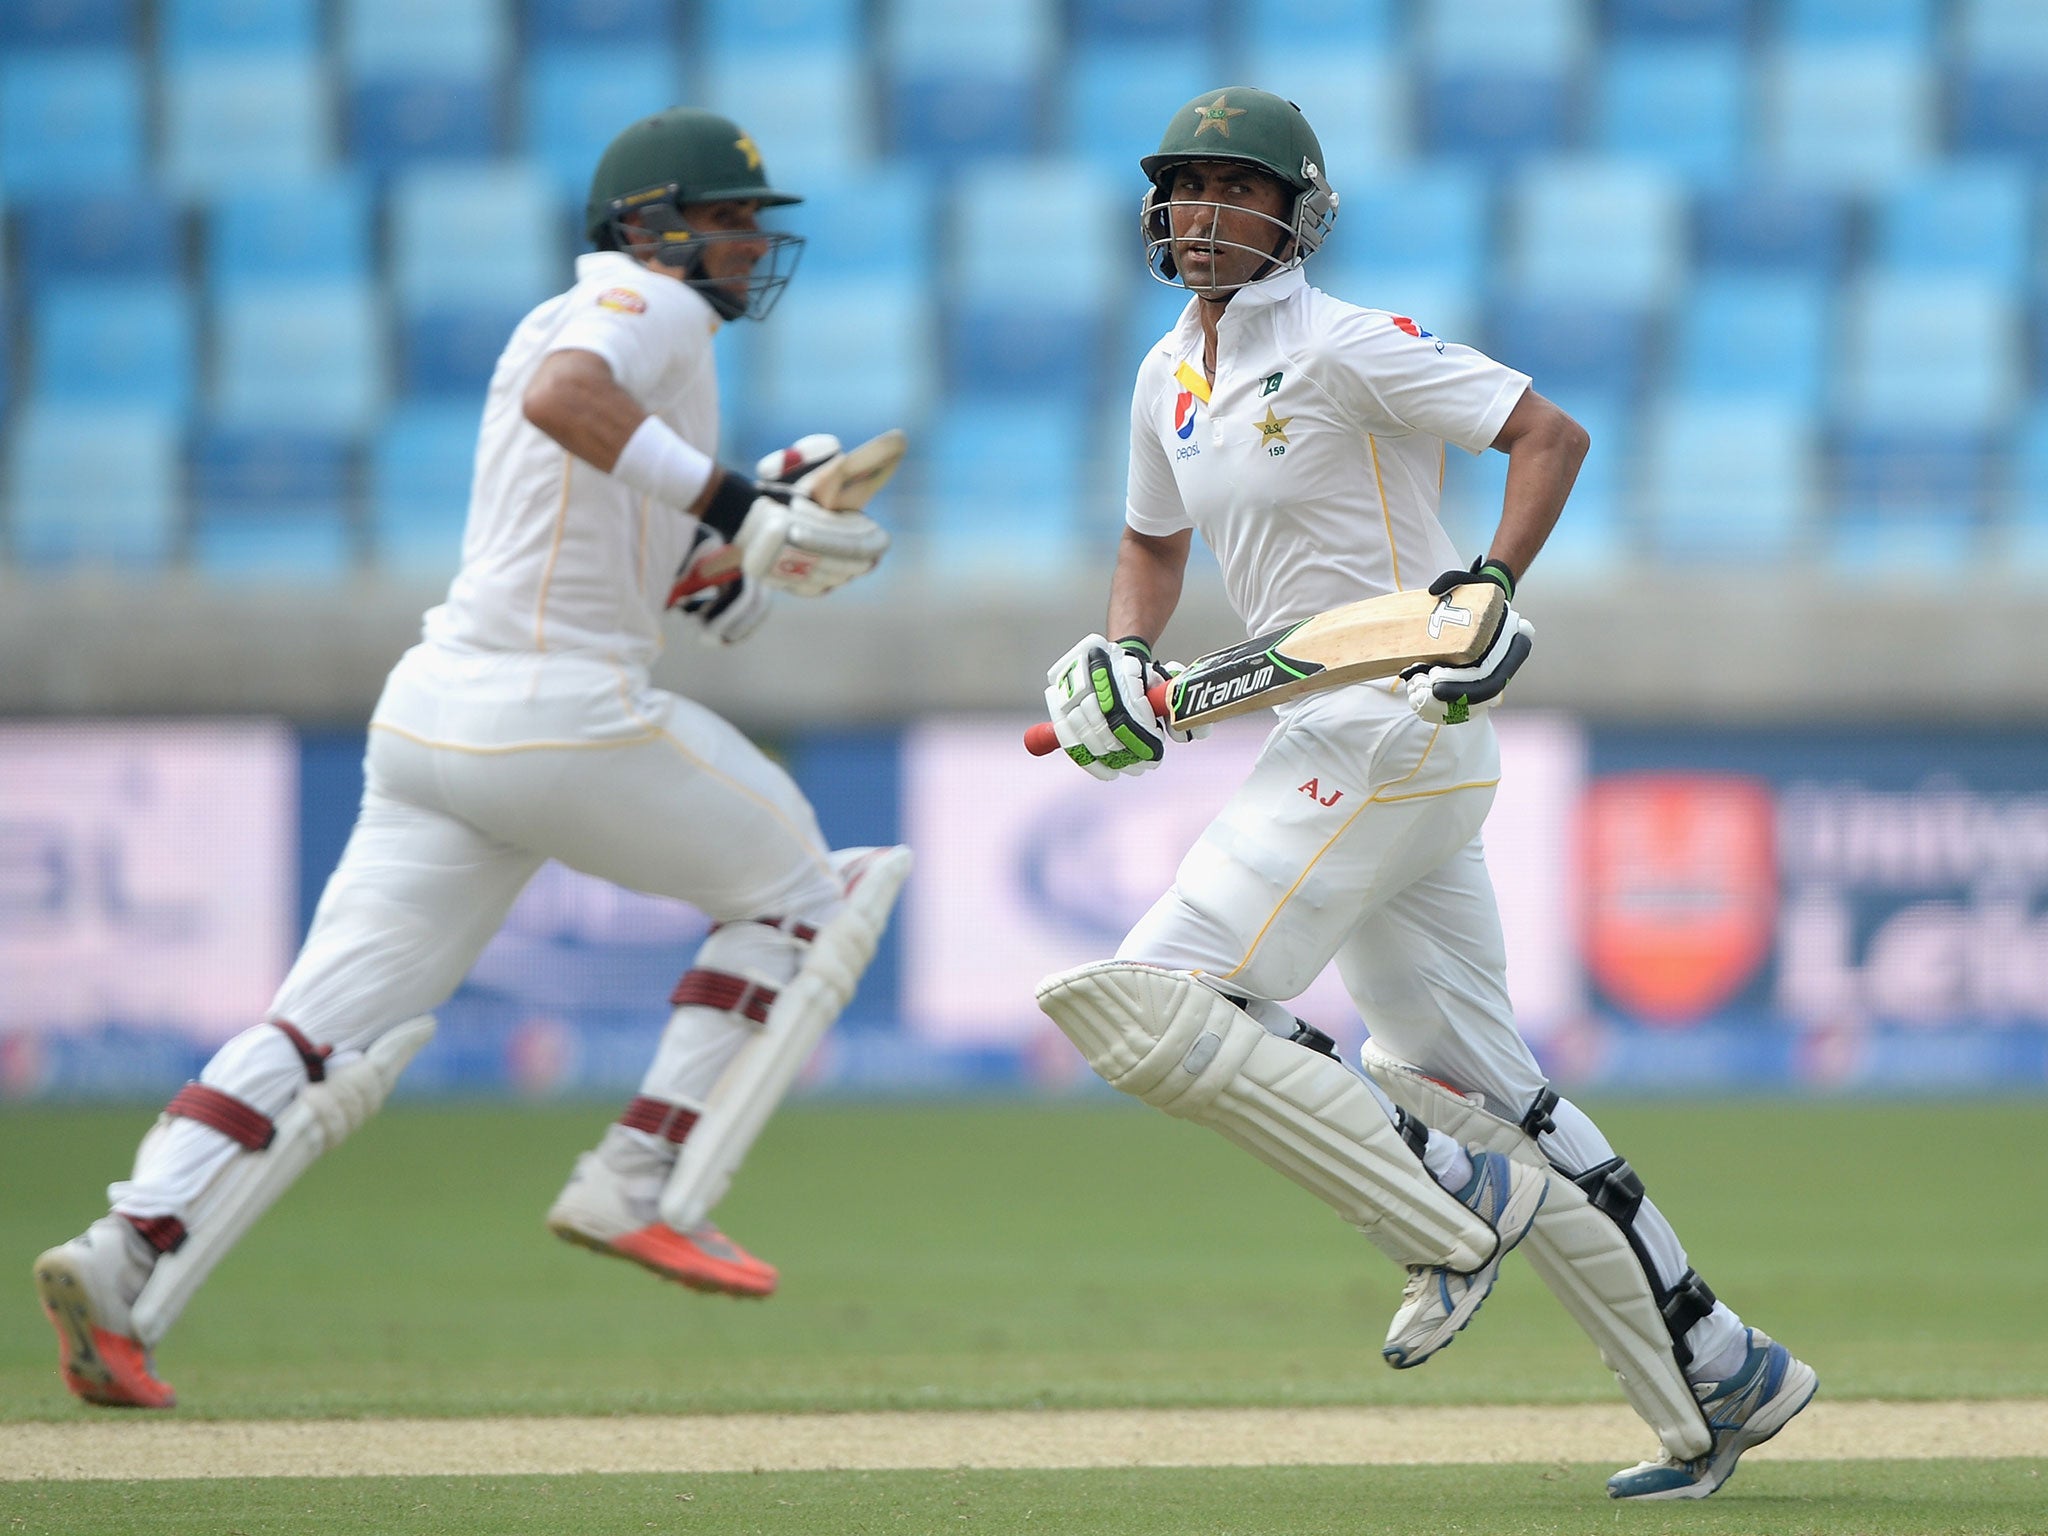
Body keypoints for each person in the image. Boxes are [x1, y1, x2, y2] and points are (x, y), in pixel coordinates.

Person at [33, 107, 911, 1410]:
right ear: (655, 223)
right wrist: (738, 502)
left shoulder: (624, 331)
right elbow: (575, 402)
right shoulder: (643, 304)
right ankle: (643, 1182)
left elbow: (669, 582)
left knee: (324, 1027)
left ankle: (123, 1252)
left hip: (435, 714)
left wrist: (755, 532)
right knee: (820, 891)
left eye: (749, 225)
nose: (745, 245)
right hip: (557, 714)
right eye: (728, 220)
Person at [1035, 87, 1816, 1501]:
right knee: (1476, 1085)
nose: (1204, 215)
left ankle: (1446, 1202)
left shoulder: (1349, 347)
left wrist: (1491, 582)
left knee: (1156, 998)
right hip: (1328, 736)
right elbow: (1151, 545)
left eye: (1236, 189)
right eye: (1184, 189)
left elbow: (1550, 434)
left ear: (1297, 213)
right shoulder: (1167, 378)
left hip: (1397, 719)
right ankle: (1716, 1365)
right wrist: (1132, 658)